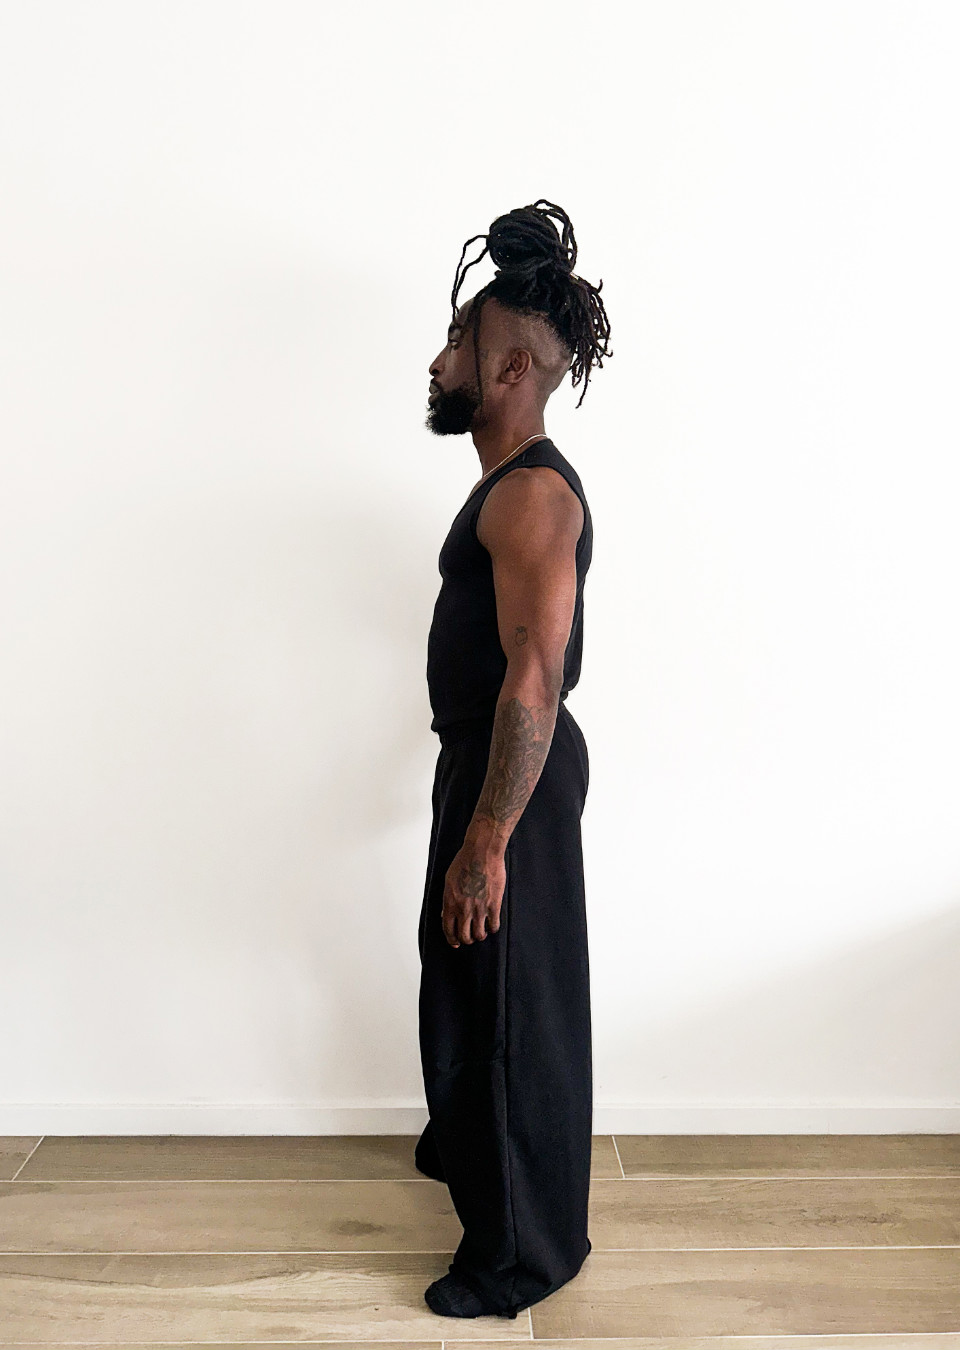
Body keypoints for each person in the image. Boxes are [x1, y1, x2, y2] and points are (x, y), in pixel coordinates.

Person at [415, 199, 612, 1320]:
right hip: (487, 767)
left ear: (511, 368)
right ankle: (475, 1164)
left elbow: (534, 675)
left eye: (459, 340)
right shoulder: (509, 488)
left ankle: (518, 1260)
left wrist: (488, 838)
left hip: (513, 778)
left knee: (504, 1013)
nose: (439, 359)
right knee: (470, 987)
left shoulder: (533, 493)